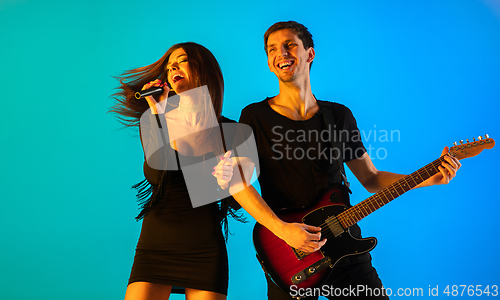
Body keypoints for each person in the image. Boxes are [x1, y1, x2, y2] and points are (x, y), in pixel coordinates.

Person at [235, 21, 461, 299]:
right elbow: (238, 183)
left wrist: (428, 179)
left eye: (290, 45)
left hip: (344, 243)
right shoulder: (253, 117)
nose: (281, 53)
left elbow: (371, 178)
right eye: (272, 49)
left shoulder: (338, 116)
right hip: (287, 249)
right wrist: (283, 230)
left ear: (310, 54)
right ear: (269, 63)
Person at [110, 42, 240, 300]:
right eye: (169, 66)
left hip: (204, 246)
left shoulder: (229, 129)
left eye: (181, 61)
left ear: (203, 70)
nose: (173, 68)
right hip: (156, 244)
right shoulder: (154, 120)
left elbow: (235, 201)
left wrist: (230, 176)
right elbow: (157, 175)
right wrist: (159, 112)